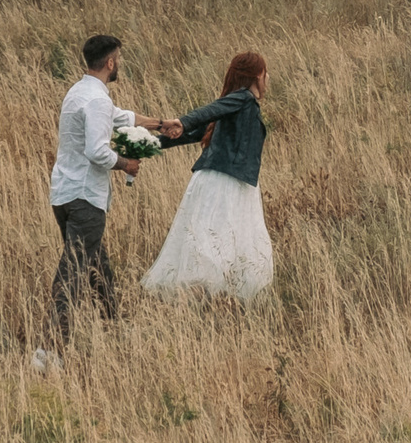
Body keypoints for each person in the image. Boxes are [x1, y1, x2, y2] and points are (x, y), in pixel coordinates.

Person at [36, 34, 182, 374]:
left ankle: (115, 330)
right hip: (87, 197)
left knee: (98, 268)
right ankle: (48, 353)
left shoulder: (79, 92)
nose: (120, 65)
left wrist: (161, 123)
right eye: (119, 59)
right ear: (111, 62)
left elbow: (122, 116)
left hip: (65, 194)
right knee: (73, 273)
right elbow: (97, 151)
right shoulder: (97, 100)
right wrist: (126, 165)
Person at [141, 51, 274, 301]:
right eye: (266, 74)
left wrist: (150, 146)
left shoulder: (235, 107)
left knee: (215, 246)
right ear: (258, 76)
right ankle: (193, 306)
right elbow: (206, 114)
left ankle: (211, 306)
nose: (268, 79)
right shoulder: (243, 100)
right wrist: (183, 121)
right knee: (213, 249)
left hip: (225, 181)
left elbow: (192, 132)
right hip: (225, 184)